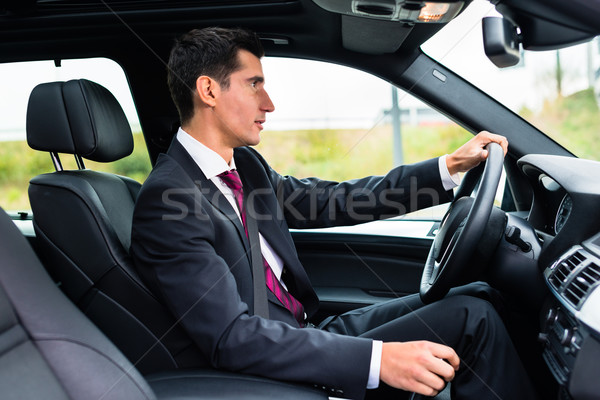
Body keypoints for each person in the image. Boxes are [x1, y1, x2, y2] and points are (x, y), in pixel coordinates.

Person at [131, 27, 537, 399]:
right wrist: (380, 362)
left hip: (306, 333)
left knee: (482, 295)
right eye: (254, 85)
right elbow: (233, 337)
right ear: (208, 91)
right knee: (474, 319)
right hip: (270, 371)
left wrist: (447, 168)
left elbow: (336, 199)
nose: (268, 104)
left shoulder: (246, 167)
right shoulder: (168, 201)